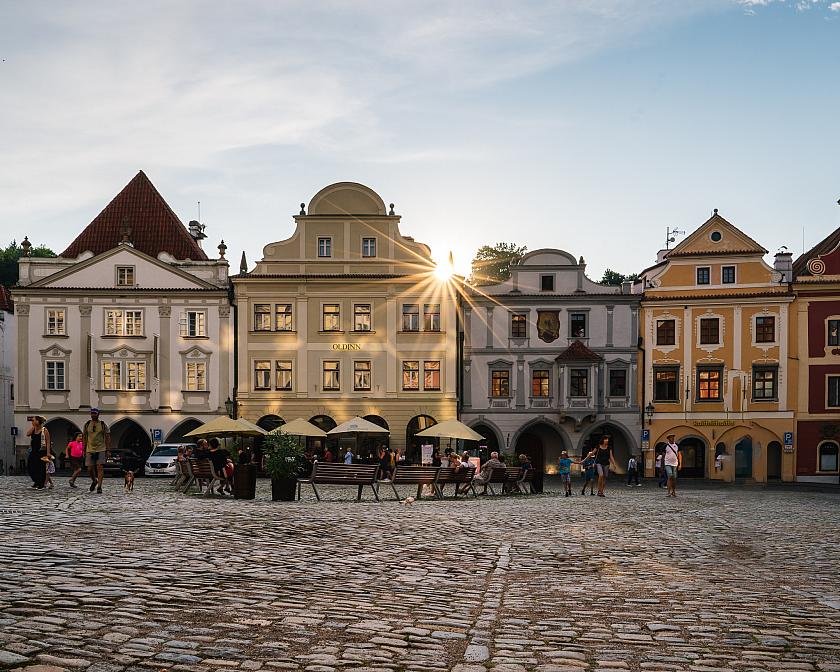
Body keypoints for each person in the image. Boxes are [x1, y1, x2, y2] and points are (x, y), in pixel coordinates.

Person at [82, 408, 110, 494]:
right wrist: (84, 448)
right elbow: (84, 437)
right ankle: (94, 480)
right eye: (92, 413)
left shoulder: (102, 424)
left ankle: (99, 486)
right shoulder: (87, 424)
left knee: (100, 467)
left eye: (95, 413)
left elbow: (107, 437)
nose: (93, 415)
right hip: (90, 449)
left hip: (101, 448)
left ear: (98, 414)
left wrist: (108, 450)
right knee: (89, 468)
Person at [26, 415, 51, 490]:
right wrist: (34, 427)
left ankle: (41, 484)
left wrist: (48, 453)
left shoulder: (44, 430)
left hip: (42, 451)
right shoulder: (33, 429)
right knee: (31, 466)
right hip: (34, 451)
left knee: (41, 468)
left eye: (33, 420)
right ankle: (36, 481)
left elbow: (48, 442)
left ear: (38, 421)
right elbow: (28, 434)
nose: (32, 422)